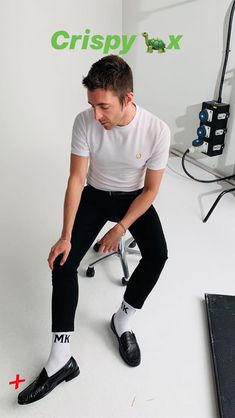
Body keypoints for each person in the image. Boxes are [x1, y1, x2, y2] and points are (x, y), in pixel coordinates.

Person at [18, 54, 170, 405]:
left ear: (127, 97)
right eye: (92, 105)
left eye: (103, 107)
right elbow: (76, 178)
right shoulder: (84, 122)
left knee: (158, 255)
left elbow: (151, 190)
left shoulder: (156, 130)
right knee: (63, 262)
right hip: (96, 195)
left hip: (133, 198)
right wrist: (66, 236)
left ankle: (123, 320)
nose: (96, 115)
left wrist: (121, 228)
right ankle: (61, 359)